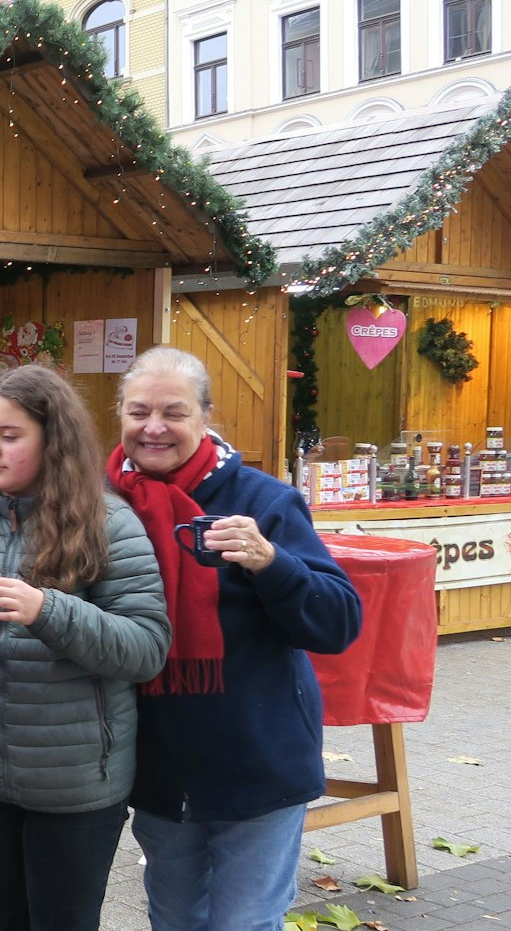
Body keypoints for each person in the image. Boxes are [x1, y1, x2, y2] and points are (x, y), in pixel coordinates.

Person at [0, 363, 170, 931]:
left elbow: (146, 648)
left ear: (53, 441)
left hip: (75, 785)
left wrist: (48, 610)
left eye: (10, 436)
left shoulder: (107, 523)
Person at [108, 347, 362, 931]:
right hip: (160, 771)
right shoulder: (102, 502)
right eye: (139, 411)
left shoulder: (263, 501)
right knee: (175, 921)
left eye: (174, 413)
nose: (153, 427)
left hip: (258, 766)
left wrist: (272, 562)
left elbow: (338, 622)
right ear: (119, 414)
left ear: (205, 417)